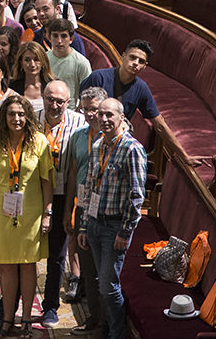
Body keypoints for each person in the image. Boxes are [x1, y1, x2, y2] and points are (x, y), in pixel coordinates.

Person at [0, 94, 54, 336]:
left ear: (28, 116)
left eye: (21, 114)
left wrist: (47, 213)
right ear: (4, 117)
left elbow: (47, 181)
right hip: (3, 213)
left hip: (31, 212)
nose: (17, 118)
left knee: (27, 266)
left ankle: (25, 319)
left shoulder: (39, 141)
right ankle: (7, 318)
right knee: (6, 268)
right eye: (12, 114)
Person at [76, 98, 145, 339]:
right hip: (95, 223)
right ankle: (105, 327)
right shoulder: (97, 146)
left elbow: (137, 196)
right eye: (101, 115)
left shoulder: (132, 148)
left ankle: (117, 333)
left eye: (109, 115)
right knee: (101, 282)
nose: (104, 120)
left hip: (114, 227)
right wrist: (84, 225)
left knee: (108, 285)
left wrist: (125, 232)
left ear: (121, 117)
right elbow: (89, 187)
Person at [38, 80, 86, 328]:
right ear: (42, 97)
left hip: (63, 195)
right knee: (22, 253)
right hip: (32, 195)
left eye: (60, 101)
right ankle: (11, 304)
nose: (54, 105)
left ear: (69, 102)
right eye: (50, 99)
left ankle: (50, 307)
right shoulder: (31, 119)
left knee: (56, 255)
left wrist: (70, 208)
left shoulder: (80, 123)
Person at [65, 87, 109, 337]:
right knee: (88, 268)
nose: (91, 114)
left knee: (105, 272)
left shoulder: (116, 138)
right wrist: (69, 210)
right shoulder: (79, 136)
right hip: (82, 207)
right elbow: (72, 173)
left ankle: (107, 321)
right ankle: (93, 317)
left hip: (106, 211)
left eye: (95, 109)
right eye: (86, 109)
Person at [79, 40, 165, 133]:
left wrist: (179, 148)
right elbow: (81, 109)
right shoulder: (98, 77)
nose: (136, 63)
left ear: (144, 66)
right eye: (132, 57)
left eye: (141, 61)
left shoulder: (141, 88)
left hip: (116, 137)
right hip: (91, 132)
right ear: (123, 56)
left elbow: (159, 123)